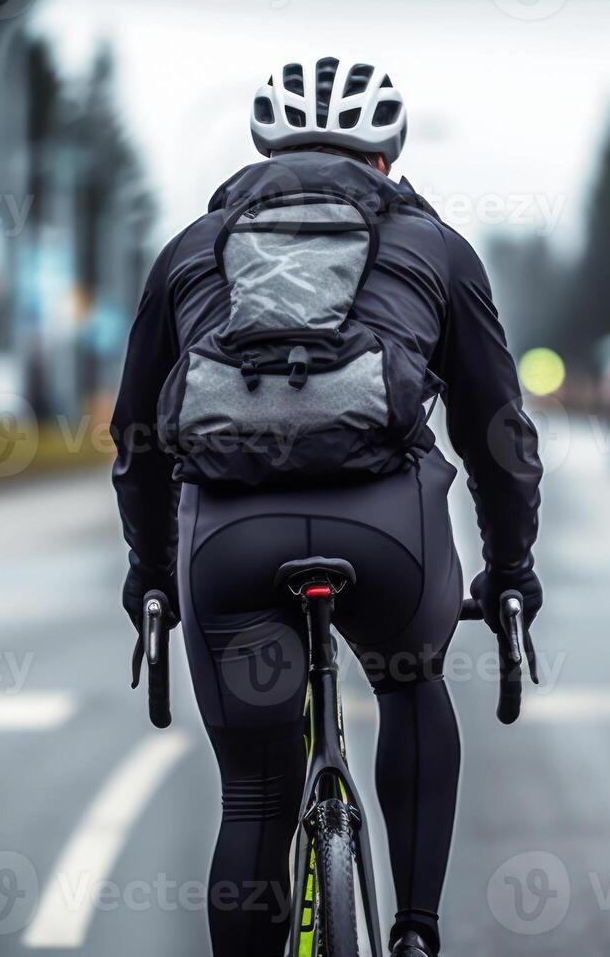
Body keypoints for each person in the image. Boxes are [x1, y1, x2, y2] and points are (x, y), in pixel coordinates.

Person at [111, 57, 542, 957]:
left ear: (264, 149)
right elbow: (498, 433)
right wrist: (511, 570)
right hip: (387, 535)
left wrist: (152, 575)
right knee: (412, 685)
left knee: (257, 797)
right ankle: (416, 934)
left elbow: (138, 439)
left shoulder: (193, 249)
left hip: (229, 538)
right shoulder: (437, 249)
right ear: (388, 159)